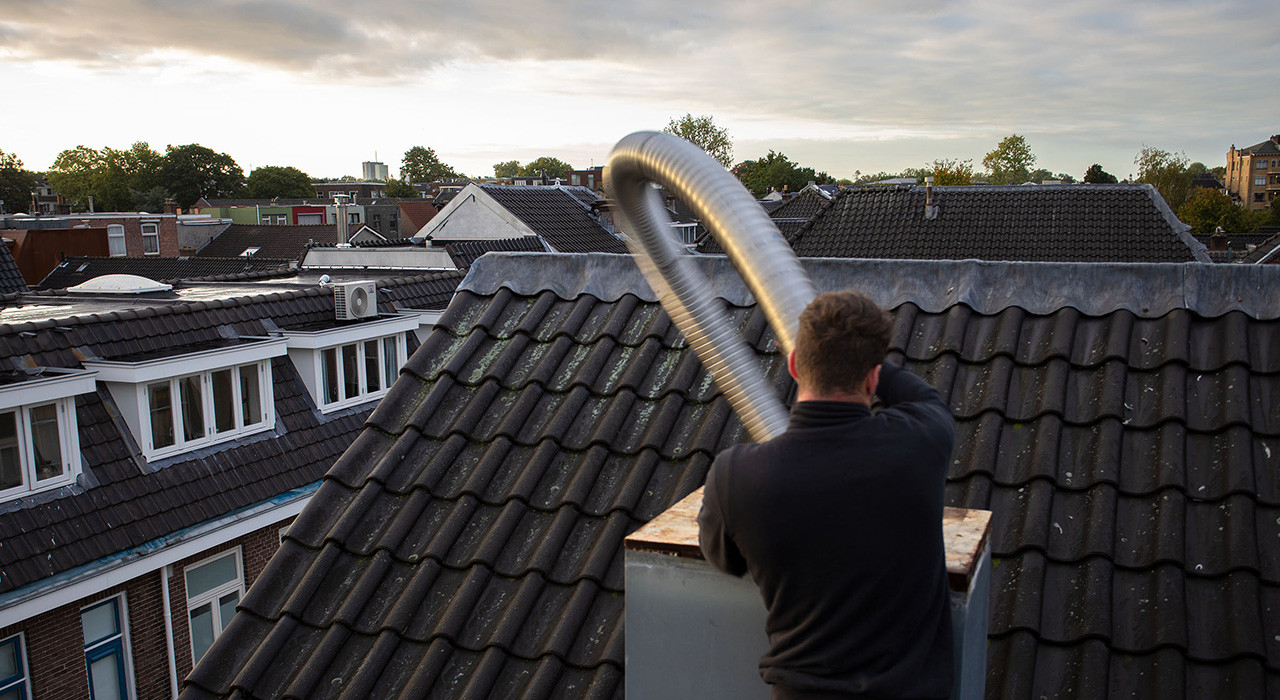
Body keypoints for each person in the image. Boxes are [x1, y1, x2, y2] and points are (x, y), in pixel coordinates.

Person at [698, 290, 955, 700]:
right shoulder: (923, 443)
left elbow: (723, 559)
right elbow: (926, 398)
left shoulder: (737, 476)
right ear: (872, 377)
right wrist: (862, 356)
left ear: (795, 364)